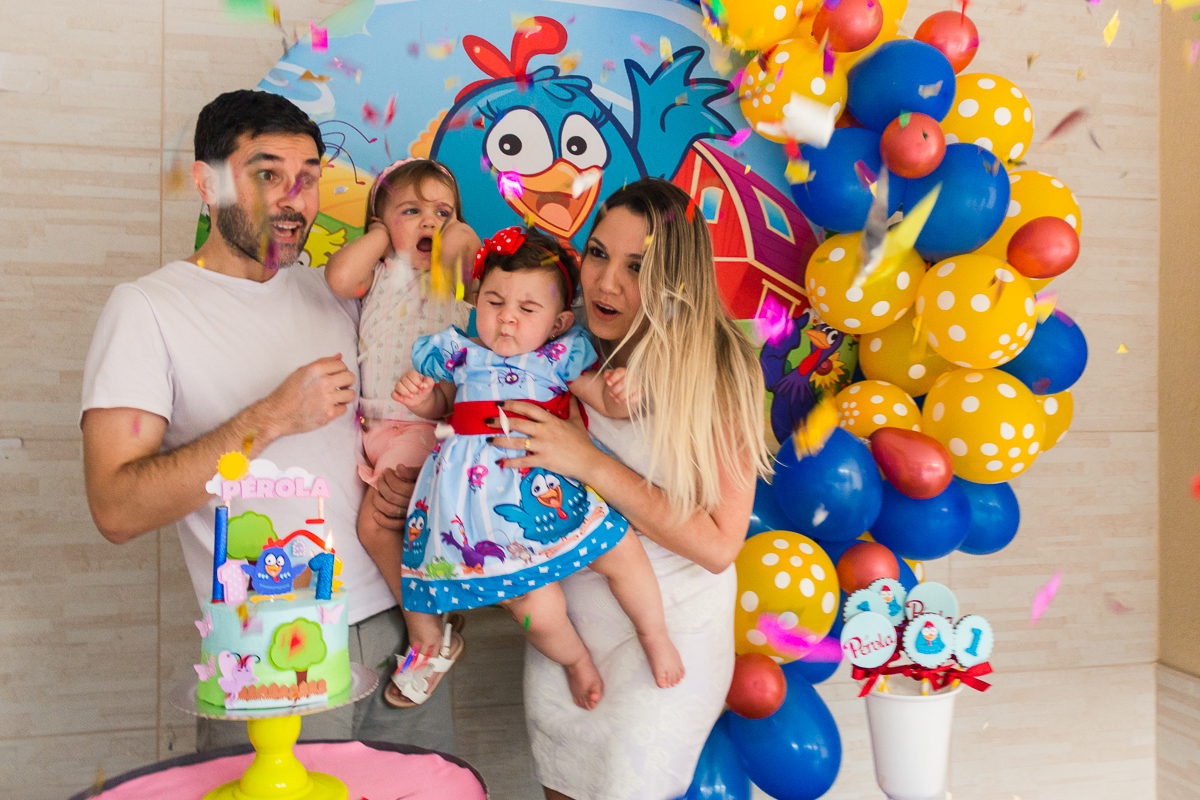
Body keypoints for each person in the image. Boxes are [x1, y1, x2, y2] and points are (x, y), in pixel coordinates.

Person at [78, 90, 453, 752]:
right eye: (267, 173)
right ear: (206, 181)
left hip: (400, 623)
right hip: (273, 644)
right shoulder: (147, 308)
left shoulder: (335, 293)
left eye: (307, 177)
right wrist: (271, 417)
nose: (294, 197)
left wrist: (401, 487)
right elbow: (115, 507)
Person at [490, 179, 770, 800]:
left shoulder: (719, 367)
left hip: (670, 637)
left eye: (636, 267)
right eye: (597, 254)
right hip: (572, 633)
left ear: (677, 278)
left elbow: (720, 545)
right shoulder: (565, 350)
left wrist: (588, 461)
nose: (605, 282)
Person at [388, 227, 684, 711]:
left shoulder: (558, 358)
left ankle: (654, 633)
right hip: (478, 501)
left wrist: (625, 389)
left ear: (557, 322)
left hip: (544, 482)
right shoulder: (459, 353)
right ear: (475, 302)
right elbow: (442, 404)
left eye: (527, 310)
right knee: (534, 608)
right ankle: (574, 660)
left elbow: (606, 404)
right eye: (494, 302)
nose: (506, 319)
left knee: (623, 551)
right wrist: (422, 398)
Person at [323, 157, 479, 709]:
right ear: (382, 224)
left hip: (423, 423)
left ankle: (429, 638)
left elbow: (464, 247)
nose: (430, 223)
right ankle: (435, 617)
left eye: (443, 212)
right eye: (412, 211)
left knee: (377, 528)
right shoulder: (381, 272)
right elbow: (339, 276)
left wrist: (448, 229)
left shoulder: (449, 277)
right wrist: (379, 234)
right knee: (401, 533)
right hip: (380, 427)